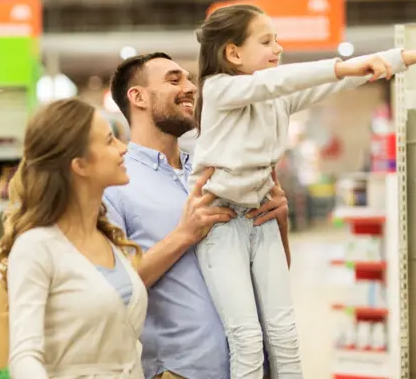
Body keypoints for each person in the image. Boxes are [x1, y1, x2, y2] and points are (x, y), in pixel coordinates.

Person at [190, 3, 416, 379]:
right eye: (266, 41)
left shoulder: (276, 98)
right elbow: (272, 82)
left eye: (277, 39)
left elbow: (334, 82)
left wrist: (406, 57)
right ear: (232, 53)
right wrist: (341, 65)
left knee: (285, 336)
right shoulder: (218, 90)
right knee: (246, 339)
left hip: (261, 219)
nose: (277, 48)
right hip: (221, 224)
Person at [104, 52, 291, 379]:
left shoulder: (219, 171)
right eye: (174, 80)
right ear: (138, 97)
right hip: (183, 371)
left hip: (253, 367)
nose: (191, 87)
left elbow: (273, 271)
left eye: (190, 80)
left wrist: (280, 222)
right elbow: (114, 289)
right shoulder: (116, 184)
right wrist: (183, 236)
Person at [0, 98, 148, 379]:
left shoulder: (109, 239)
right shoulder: (36, 247)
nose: (123, 148)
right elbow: (24, 357)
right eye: (110, 141)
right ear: (79, 165)